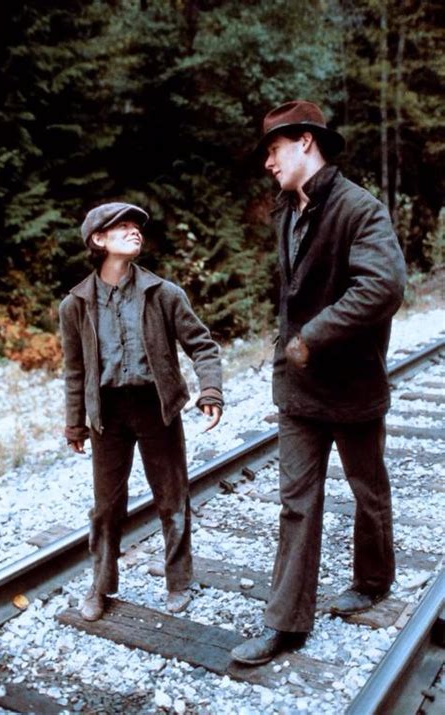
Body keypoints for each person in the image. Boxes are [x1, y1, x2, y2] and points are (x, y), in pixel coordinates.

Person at [230, 100, 406, 665]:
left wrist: (315, 334)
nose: (268, 163)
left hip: (353, 384)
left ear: (306, 141)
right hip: (299, 391)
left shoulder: (360, 209)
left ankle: (374, 580)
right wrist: (286, 349)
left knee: (367, 488)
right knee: (296, 502)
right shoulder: (286, 211)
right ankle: (286, 624)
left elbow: (383, 286)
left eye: (274, 150)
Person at [59, 201, 223, 621]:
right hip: (107, 415)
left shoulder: (163, 293)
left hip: (156, 407)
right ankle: (101, 585)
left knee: (172, 497)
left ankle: (179, 581)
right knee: (106, 507)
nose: (135, 232)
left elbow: (202, 345)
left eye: (137, 227)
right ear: (98, 240)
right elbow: (74, 370)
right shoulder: (76, 304)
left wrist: (210, 390)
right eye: (123, 227)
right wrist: (75, 423)